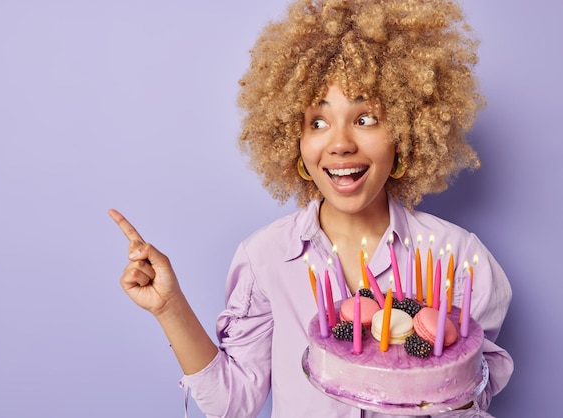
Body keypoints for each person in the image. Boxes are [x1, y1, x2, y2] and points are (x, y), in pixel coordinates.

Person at [108, 0, 513, 416]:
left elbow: (468, 399)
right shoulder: (265, 257)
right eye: (317, 122)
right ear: (293, 141)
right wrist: (169, 307)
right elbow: (232, 404)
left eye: (366, 118)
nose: (340, 143)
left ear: (406, 133)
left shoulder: (462, 259)